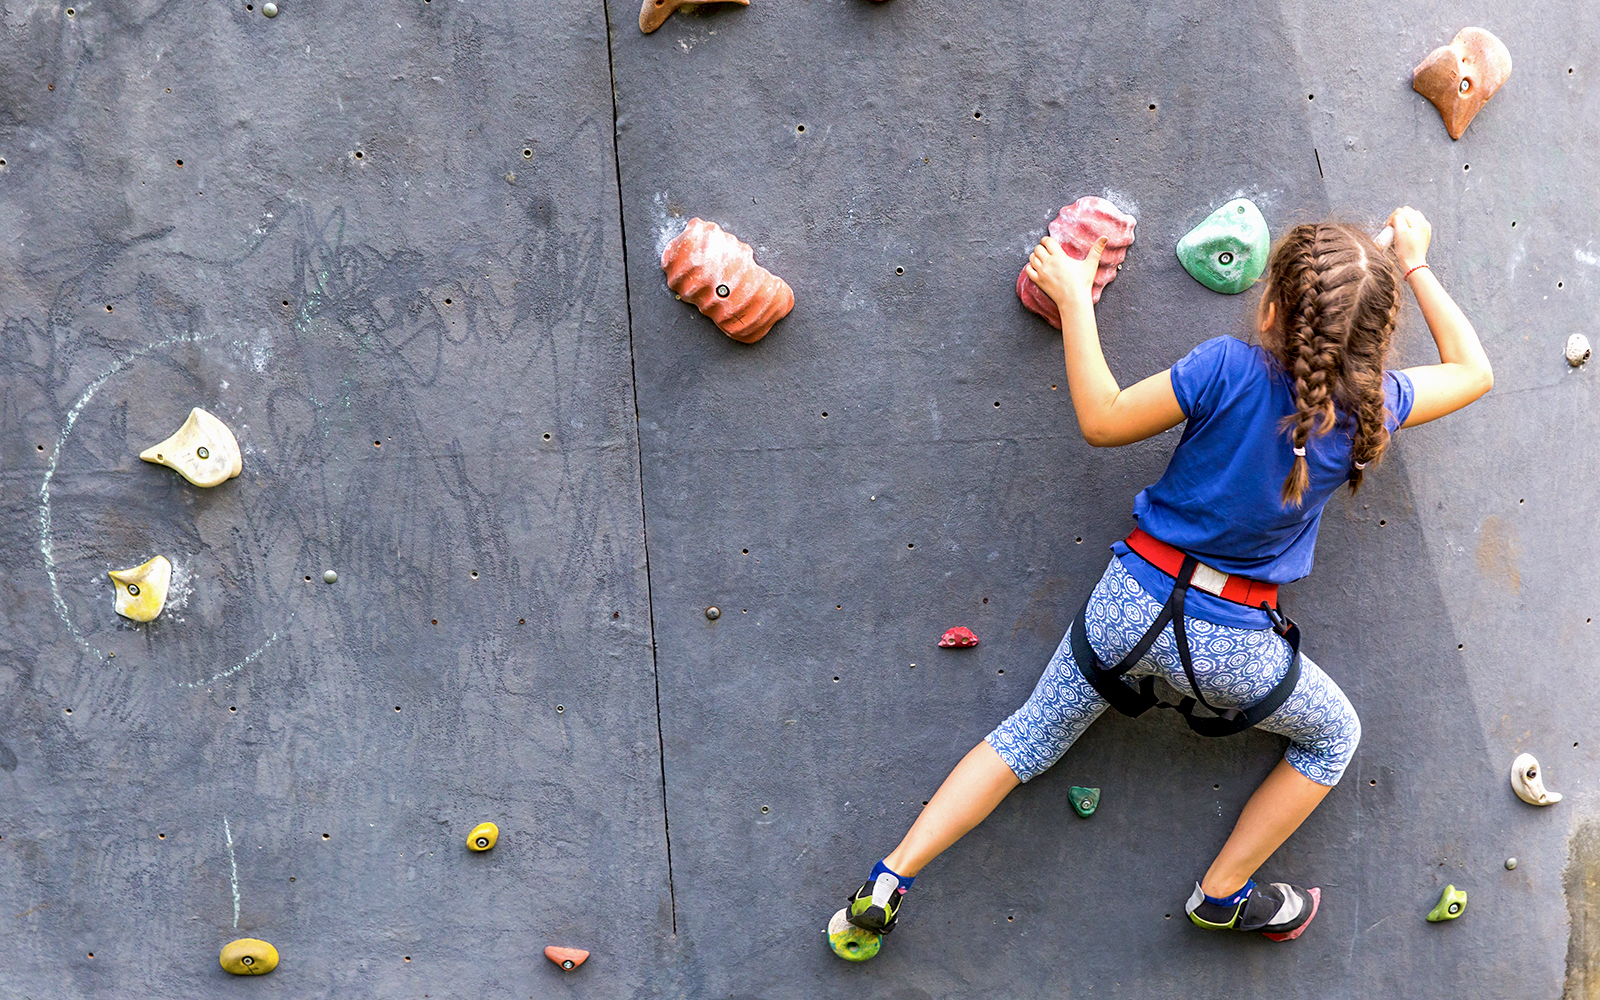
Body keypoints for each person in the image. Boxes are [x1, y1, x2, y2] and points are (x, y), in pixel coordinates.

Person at [836, 207, 1492, 949]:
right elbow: (1474, 371)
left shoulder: (1225, 366)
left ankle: (888, 880)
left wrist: (1079, 302)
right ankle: (1221, 895)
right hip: (1235, 649)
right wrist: (1414, 261)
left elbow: (1103, 418)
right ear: (1377, 340)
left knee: (1025, 739)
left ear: (1270, 306)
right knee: (1331, 739)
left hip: (1131, 604)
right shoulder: (1376, 408)